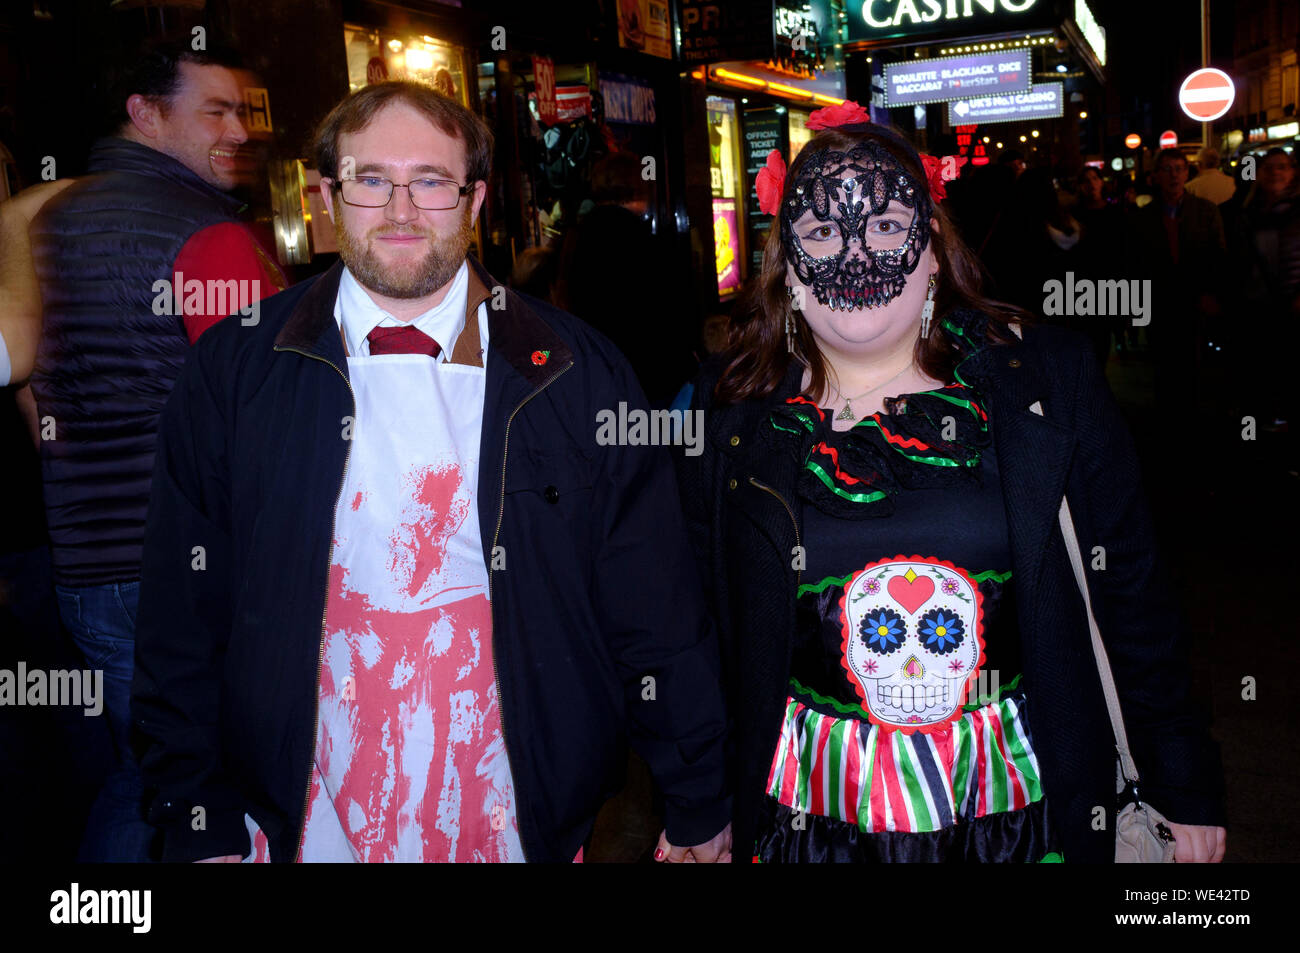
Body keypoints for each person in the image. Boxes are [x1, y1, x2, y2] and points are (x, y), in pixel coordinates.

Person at [131, 80, 731, 863]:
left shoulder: (575, 373)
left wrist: (697, 791)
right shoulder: (238, 371)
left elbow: (651, 599)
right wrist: (195, 811)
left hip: (520, 816)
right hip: (300, 822)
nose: (401, 210)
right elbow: (183, 610)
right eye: (372, 180)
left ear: (475, 199)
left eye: (432, 182)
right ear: (328, 195)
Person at [674, 111, 1226, 863]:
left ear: (932, 249)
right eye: (826, 234)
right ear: (788, 262)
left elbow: (1132, 589)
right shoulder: (731, 409)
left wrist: (1181, 778)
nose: (857, 256)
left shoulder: (1045, 383)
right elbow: (696, 627)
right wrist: (700, 799)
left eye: (888, 224)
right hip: (810, 817)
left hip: (1014, 809)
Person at [22, 38, 286, 862]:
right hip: (187, 568)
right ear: (146, 113)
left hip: (86, 563)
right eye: (215, 110)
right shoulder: (206, 234)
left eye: (240, 110)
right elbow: (269, 414)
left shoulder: (46, 219)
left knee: (146, 773)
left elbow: (29, 388)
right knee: (202, 778)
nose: (239, 131)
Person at [1127, 148, 1225, 432]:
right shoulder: (1143, 217)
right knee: (1163, 364)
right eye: (1167, 169)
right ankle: (1169, 419)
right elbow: (1135, 263)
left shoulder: (1205, 211)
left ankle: (1189, 418)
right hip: (1160, 303)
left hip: (1195, 301)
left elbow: (1218, 257)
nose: (1173, 175)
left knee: (1193, 364)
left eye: (1179, 169)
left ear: (1187, 173)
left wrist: (1212, 294)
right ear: (1156, 176)